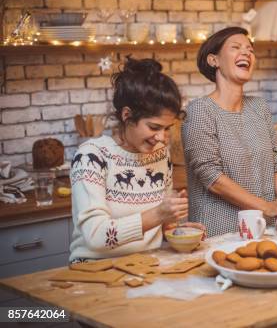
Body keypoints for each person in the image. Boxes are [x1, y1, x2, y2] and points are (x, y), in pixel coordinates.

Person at [69, 58, 205, 263]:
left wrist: (178, 231)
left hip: (147, 265)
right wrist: (159, 214)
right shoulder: (91, 156)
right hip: (93, 271)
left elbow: (159, 226)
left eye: (167, 128)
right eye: (154, 127)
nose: (162, 138)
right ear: (127, 115)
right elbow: (95, 236)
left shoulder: (159, 153)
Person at [182, 26, 277, 237]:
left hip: (266, 228)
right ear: (213, 60)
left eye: (250, 50)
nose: (246, 53)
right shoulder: (199, 111)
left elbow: (276, 161)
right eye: (236, 47)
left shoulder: (259, 107)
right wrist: (267, 206)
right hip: (220, 233)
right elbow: (211, 177)